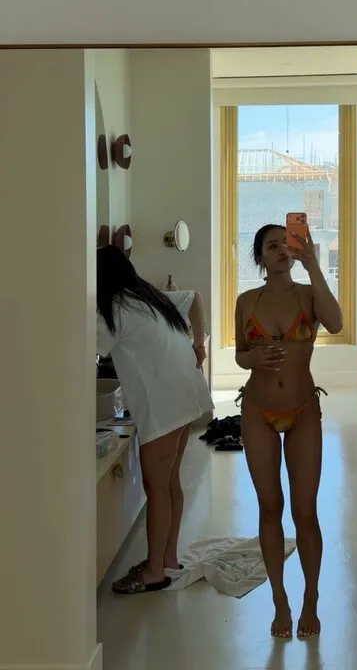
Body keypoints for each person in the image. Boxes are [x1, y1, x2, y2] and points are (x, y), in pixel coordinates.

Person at [235, 224, 343, 639]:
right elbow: (240, 354)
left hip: (303, 411)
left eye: (288, 243)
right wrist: (252, 360)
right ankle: (280, 599)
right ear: (260, 258)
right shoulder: (247, 301)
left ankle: (311, 596)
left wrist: (313, 264)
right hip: (258, 411)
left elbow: (336, 323)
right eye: (272, 245)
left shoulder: (308, 295)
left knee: (305, 511)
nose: (282, 250)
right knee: (269, 507)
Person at [96, 245, 213, 594]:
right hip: (187, 393)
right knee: (169, 482)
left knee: (156, 488)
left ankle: (153, 571)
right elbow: (196, 299)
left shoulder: (111, 310)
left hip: (164, 404)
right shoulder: (149, 297)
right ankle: (168, 559)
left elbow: (84, 352)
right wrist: (199, 346)